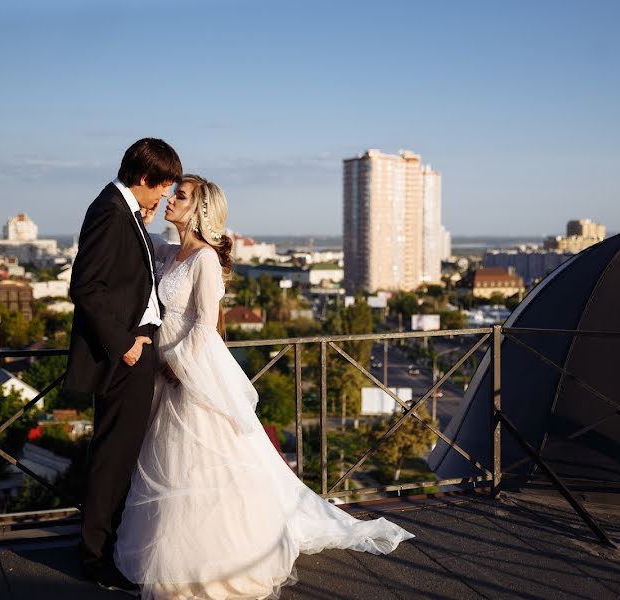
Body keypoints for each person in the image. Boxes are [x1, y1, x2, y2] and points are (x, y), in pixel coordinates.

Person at [114, 174, 414, 599]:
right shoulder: (169, 252)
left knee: (205, 458)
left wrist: (178, 367)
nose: (168, 201)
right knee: (171, 461)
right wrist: (137, 210)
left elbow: (204, 324)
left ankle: (221, 555)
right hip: (164, 368)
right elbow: (136, 245)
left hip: (191, 370)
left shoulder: (204, 260)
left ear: (199, 209)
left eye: (177, 196)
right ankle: (176, 548)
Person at [66, 138, 182, 593]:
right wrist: (125, 345)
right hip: (124, 358)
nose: (164, 197)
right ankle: (95, 558)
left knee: (121, 456)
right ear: (144, 178)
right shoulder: (110, 210)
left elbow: (129, 278)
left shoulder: (125, 209)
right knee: (113, 460)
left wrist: (145, 219)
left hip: (134, 351)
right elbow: (87, 288)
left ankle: (104, 548)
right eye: (162, 187)